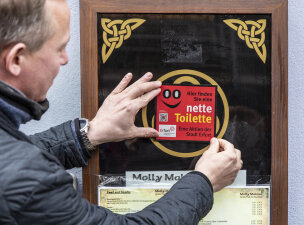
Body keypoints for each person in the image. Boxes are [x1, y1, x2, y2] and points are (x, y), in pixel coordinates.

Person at [0, 0, 242, 224]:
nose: (65, 60)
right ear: (16, 59)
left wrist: (89, 134)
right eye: (59, 48)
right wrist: (205, 182)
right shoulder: (29, 179)